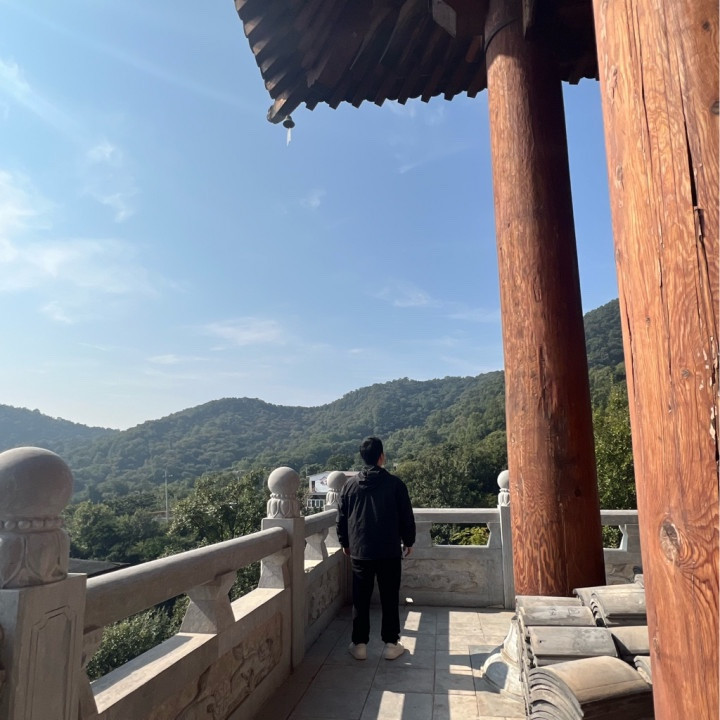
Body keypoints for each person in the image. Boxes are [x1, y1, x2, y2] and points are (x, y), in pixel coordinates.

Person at [336, 436, 416, 661]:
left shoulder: (350, 486)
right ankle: (391, 644)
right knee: (390, 597)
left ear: (363, 457)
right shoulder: (395, 484)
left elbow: (341, 519)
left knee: (360, 598)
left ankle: (359, 644)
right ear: (382, 456)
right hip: (389, 551)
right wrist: (408, 541)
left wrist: (345, 543)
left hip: (360, 551)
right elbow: (406, 517)